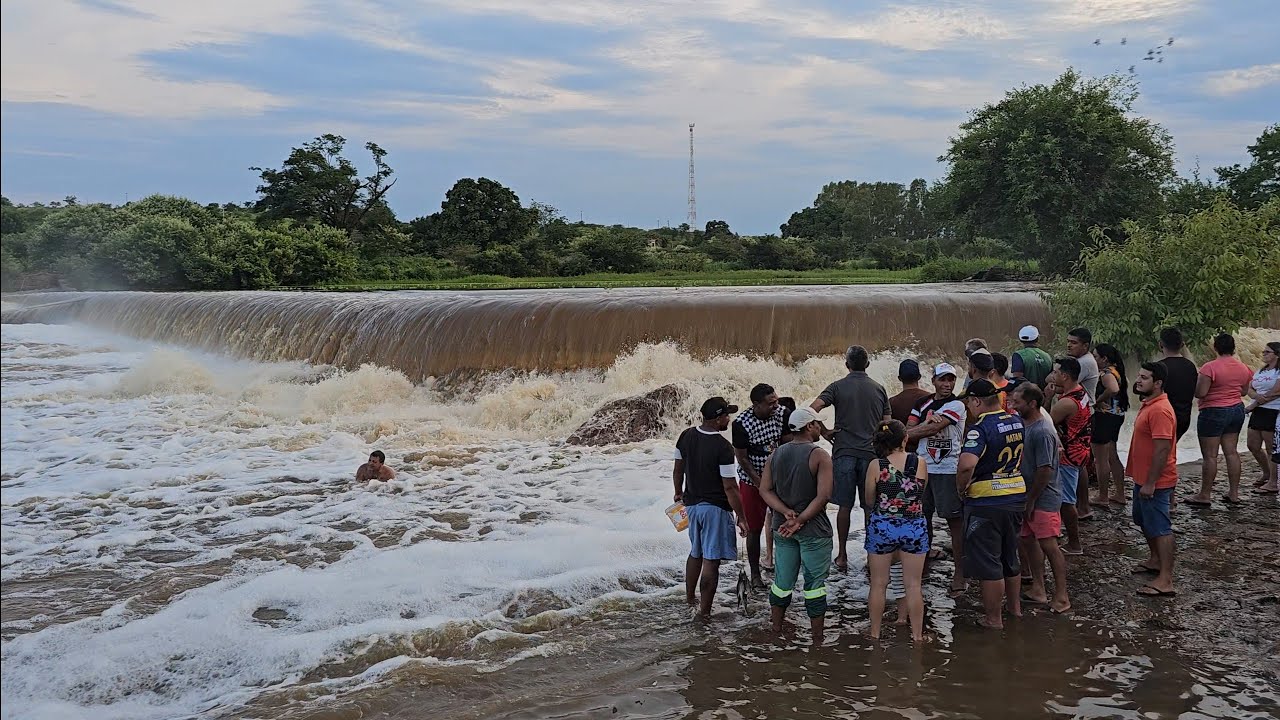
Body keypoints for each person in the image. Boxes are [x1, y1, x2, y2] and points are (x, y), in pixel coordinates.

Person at [811, 345, 892, 573]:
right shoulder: (879, 389)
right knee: (869, 507)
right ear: (867, 364)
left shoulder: (837, 387)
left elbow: (813, 408)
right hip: (871, 455)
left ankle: (843, 556)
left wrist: (825, 431)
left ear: (847, 364)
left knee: (844, 507)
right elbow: (887, 424)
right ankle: (870, 556)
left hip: (844, 453)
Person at [956, 379, 1027, 629]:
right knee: (1010, 555)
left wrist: (961, 488)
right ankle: (1014, 609)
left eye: (968, 402)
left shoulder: (980, 428)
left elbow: (966, 464)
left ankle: (993, 619)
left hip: (987, 500)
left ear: (976, 401)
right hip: (1016, 495)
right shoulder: (1016, 420)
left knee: (989, 562)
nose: (968, 407)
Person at [759, 407, 833, 642]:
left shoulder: (776, 454)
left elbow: (765, 490)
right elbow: (823, 496)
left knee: (782, 583)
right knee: (814, 585)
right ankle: (817, 639)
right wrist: (800, 519)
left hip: (782, 529)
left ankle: (776, 629)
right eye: (817, 424)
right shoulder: (819, 455)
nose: (820, 428)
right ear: (809, 426)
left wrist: (786, 513)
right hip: (814, 530)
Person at [674, 397, 749, 620]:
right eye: (726, 415)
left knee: (695, 553)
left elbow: (678, 469)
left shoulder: (686, 436)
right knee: (711, 560)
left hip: (692, 506)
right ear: (718, 419)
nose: (729, 419)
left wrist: (678, 492)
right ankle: (705, 612)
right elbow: (730, 487)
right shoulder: (723, 447)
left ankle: (690, 599)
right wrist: (741, 516)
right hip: (714, 509)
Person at [863, 420, 929, 642]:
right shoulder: (919, 462)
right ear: (905, 439)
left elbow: (869, 499)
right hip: (913, 527)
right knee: (913, 585)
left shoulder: (876, 465)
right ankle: (917, 636)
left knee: (879, 584)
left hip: (883, 527)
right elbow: (920, 493)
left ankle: (874, 633)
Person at [1008, 385, 1071, 614]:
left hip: (1043, 497)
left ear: (1032, 404)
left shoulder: (1043, 431)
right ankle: (1038, 588)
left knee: (1049, 545)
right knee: (1028, 540)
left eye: (1017, 402)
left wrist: (1031, 500)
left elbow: (1045, 469)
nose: (1013, 407)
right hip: (1027, 494)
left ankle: (1062, 596)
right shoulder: (1026, 424)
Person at [907, 362, 967, 593]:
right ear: (933, 381)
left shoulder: (957, 405)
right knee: (922, 518)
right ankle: (922, 564)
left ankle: (960, 572)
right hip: (923, 468)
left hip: (948, 469)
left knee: (954, 521)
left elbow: (930, 429)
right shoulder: (922, 403)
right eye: (942, 379)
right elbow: (912, 429)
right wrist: (920, 426)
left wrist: (907, 432)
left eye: (951, 380)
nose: (947, 384)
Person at [1127, 362, 1179, 597]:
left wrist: (1150, 483)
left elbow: (1162, 450)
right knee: (1143, 520)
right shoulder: (1150, 404)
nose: (1138, 380)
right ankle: (1155, 560)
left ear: (1157, 383)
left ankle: (1166, 579)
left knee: (1160, 527)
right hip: (1143, 478)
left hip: (1155, 481)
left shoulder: (1160, 410)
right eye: (1139, 376)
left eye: (1144, 378)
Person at [1186, 333, 1253, 506]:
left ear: (1215, 347)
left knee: (1210, 456)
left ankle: (1205, 494)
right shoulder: (1243, 367)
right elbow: (1244, 392)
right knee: (1231, 452)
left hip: (1213, 411)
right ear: (1233, 348)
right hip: (1237, 409)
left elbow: (1201, 393)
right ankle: (1234, 493)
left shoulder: (1209, 368)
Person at [731, 383, 786, 589]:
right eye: (770, 403)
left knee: (783, 522)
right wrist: (759, 482)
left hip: (779, 478)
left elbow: (788, 443)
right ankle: (755, 574)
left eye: (776, 401)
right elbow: (742, 458)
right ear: (756, 405)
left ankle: (783, 569)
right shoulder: (742, 424)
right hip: (751, 479)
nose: (776, 406)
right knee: (753, 528)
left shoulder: (783, 414)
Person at [1049, 358, 1091, 555]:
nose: (1053, 376)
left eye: (1056, 373)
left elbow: (1046, 424)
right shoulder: (1081, 392)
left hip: (1067, 454)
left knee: (1066, 500)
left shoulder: (1065, 403)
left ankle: (1075, 544)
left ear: (1064, 376)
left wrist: (1048, 397)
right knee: (1066, 496)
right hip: (1080, 448)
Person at [1091, 343, 1130, 508]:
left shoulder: (1106, 373)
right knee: (1112, 455)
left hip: (1104, 417)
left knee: (1100, 459)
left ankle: (1103, 496)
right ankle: (1120, 494)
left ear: (1104, 358)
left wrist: (1097, 400)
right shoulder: (1118, 370)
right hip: (1117, 416)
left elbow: (1113, 389)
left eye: (1095, 357)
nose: (1093, 360)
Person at [1245, 342, 1280, 494]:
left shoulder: (1278, 372)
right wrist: (1255, 397)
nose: (1264, 354)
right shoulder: (1261, 370)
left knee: (1270, 448)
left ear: (1277, 355)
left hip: (1273, 411)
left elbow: (1276, 392)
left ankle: (1273, 482)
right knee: (1252, 445)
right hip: (1258, 410)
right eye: (1264, 352)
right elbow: (1250, 388)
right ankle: (1266, 473)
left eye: (1267, 352)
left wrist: (1253, 404)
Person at [1158, 327, 1199, 443]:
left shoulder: (1159, 368)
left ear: (1160, 344)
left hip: (1163, 417)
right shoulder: (1190, 366)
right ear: (1182, 344)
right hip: (1183, 419)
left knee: (1159, 453)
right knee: (1169, 450)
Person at [890, 359, 931, 452]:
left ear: (899, 378)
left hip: (901, 453)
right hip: (925, 453)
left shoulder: (892, 402)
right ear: (919, 377)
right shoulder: (930, 398)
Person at [1012, 325, 1054, 390]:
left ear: (1020, 340)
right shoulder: (1047, 356)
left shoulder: (1018, 355)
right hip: (1044, 397)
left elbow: (1017, 380)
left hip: (1026, 397)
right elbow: (1051, 379)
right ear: (1037, 339)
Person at [1066, 328, 1100, 405]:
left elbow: (1065, 386)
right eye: (1068, 341)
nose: (1069, 345)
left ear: (1085, 346)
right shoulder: (1080, 359)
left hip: (1083, 411)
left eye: (1073, 343)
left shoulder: (1084, 362)